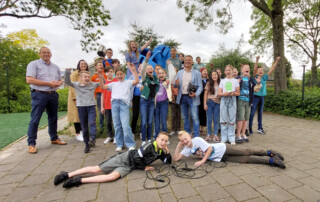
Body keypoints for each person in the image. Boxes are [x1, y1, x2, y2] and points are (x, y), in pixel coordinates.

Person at [54, 131, 172, 188]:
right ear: (157, 138)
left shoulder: (160, 150)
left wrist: (168, 151)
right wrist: (144, 167)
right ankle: (67, 175)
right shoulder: (150, 144)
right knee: (96, 169)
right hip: (125, 158)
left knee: (111, 177)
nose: (163, 142)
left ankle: (78, 181)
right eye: (162, 139)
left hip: (130, 166)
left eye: (166, 141)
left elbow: (168, 161)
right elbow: (137, 157)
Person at [26, 47, 66, 154]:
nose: (46, 54)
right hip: (39, 94)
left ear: (51, 55)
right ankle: (31, 143)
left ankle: (54, 138)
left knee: (53, 118)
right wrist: (49, 84)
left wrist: (58, 83)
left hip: (53, 94)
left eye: (48, 53)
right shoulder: (33, 64)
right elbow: (29, 79)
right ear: (39, 54)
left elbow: (60, 80)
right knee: (35, 119)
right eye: (44, 52)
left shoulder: (56, 67)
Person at [173, 131, 285, 169]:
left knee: (246, 151)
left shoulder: (196, 140)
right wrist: (178, 147)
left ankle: (269, 152)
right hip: (221, 158)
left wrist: (202, 161)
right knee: (245, 159)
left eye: (185, 139)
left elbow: (210, 148)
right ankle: (271, 161)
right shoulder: (186, 149)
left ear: (189, 136)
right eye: (182, 141)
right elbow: (176, 159)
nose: (184, 142)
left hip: (223, 149)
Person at [99, 64, 139, 152]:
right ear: (115, 76)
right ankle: (119, 144)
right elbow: (102, 87)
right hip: (114, 104)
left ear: (124, 75)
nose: (120, 76)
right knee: (117, 125)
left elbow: (136, 81)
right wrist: (101, 78)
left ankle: (130, 144)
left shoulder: (128, 82)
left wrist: (134, 71)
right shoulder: (113, 84)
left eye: (121, 74)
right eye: (118, 74)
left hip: (124, 104)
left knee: (125, 125)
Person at [65, 65, 102, 153]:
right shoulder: (76, 85)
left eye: (88, 77)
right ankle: (87, 145)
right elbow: (67, 82)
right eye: (85, 77)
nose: (87, 78)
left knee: (92, 123)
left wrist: (101, 76)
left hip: (91, 107)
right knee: (84, 127)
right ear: (81, 78)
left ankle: (92, 139)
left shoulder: (92, 85)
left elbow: (101, 83)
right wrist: (67, 72)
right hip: (81, 108)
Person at [249, 56, 281, 135]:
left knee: (260, 113)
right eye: (259, 70)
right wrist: (256, 60)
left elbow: (272, 69)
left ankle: (260, 128)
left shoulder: (264, 78)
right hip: (255, 97)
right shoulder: (255, 77)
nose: (260, 71)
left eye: (261, 70)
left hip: (262, 97)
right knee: (252, 113)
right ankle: (249, 128)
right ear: (257, 72)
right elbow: (254, 68)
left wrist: (276, 61)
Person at [174, 55, 203, 137]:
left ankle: (196, 136)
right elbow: (175, 84)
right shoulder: (180, 72)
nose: (187, 61)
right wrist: (175, 84)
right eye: (186, 60)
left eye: (189, 60)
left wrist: (196, 94)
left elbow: (200, 86)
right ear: (184, 62)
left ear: (192, 62)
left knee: (195, 117)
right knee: (185, 117)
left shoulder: (197, 73)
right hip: (182, 97)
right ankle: (187, 134)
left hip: (192, 97)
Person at [236, 64, 260, 144]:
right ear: (242, 70)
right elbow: (234, 87)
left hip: (249, 101)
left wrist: (258, 82)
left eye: (248, 68)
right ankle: (238, 135)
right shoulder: (239, 78)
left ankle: (243, 134)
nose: (247, 69)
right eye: (245, 68)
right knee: (240, 118)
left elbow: (257, 85)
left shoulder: (251, 79)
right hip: (240, 100)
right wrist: (237, 82)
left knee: (246, 119)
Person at [140, 51, 159, 146]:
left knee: (150, 122)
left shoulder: (156, 79)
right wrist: (146, 59)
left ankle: (149, 139)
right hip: (144, 101)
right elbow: (142, 69)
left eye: (151, 68)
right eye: (148, 69)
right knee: (144, 121)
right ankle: (143, 139)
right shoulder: (144, 78)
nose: (150, 69)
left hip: (152, 101)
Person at [67, 60, 89, 142]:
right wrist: (75, 98)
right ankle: (78, 133)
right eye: (82, 64)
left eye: (85, 64)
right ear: (78, 65)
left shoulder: (87, 73)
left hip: (84, 96)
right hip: (76, 96)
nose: (83, 65)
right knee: (76, 116)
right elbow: (72, 86)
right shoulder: (75, 73)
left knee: (83, 115)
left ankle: (83, 132)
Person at [218, 65, 240, 145]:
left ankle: (231, 138)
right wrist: (224, 93)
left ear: (232, 71)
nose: (228, 71)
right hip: (224, 99)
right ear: (225, 72)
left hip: (232, 100)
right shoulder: (222, 81)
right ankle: (224, 138)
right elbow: (219, 93)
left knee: (232, 120)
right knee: (223, 119)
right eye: (226, 70)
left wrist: (233, 93)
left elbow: (238, 93)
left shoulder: (236, 81)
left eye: (230, 70)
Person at [101, 67, 118, 144]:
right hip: (107, 106)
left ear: (113, 72)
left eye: (111, 71)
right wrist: (102, 106)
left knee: (116, 122)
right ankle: (110, 136)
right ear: (105, 73)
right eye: (107, 72)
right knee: (108, 122)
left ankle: (116, 137)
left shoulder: (116, 82)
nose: (109, 73)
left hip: (115, 105)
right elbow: (102, 95)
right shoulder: (104, 84)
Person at [204, 71, 221, 142]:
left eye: (215, 74)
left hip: (218, 103)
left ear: (218, 75)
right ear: (211, 76)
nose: (214, 76)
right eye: (212, 75)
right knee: (209, 119)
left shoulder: (221, 83)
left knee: (216, 119)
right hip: (210, 103)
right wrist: (205, 104)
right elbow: (205, 94)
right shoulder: (208, 83)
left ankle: (215, 135)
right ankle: (208, 134)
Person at [91, 63, 108, 134]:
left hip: (106, 93)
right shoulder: (94, 77)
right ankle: (101, 128)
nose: (101, 66)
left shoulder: (105, 74)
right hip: (99, 94)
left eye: (101, 65)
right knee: (100, 111)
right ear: (96, 67)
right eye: (99, 65)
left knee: (107, 110)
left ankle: (108, 127)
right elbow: (92, 87)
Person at [155, 68, 170, 139]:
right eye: (159, 73)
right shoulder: (155, 82)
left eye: (162, 73)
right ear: (157, 75)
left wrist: (167, 81)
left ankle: (165, 137)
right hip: (156, 104)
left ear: (165, 74)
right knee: (157, 122)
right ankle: (157, 137)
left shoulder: (167, 82)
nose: (161, 74)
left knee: (163, 121)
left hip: (164, 103)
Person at [129, 64, 143, 136]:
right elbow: (129, 86)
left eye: (143, 67)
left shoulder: (146, 77)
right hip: (135, 97)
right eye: (140, 67)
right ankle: (132, 132)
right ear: (138, 68)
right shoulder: (132, 76)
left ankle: (142, 131)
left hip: (144, 98)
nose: (141, 68)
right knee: (135, 114)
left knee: (143, 115)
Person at [199, 68, 208, 136]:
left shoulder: (208, 80)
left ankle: (203, 129)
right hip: (199, 99)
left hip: (206, 99)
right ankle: (199, 129)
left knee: (205, 115)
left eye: (206, 71)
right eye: (203, 71)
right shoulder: (198, 80)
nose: (205, 72)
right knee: (200, 114)